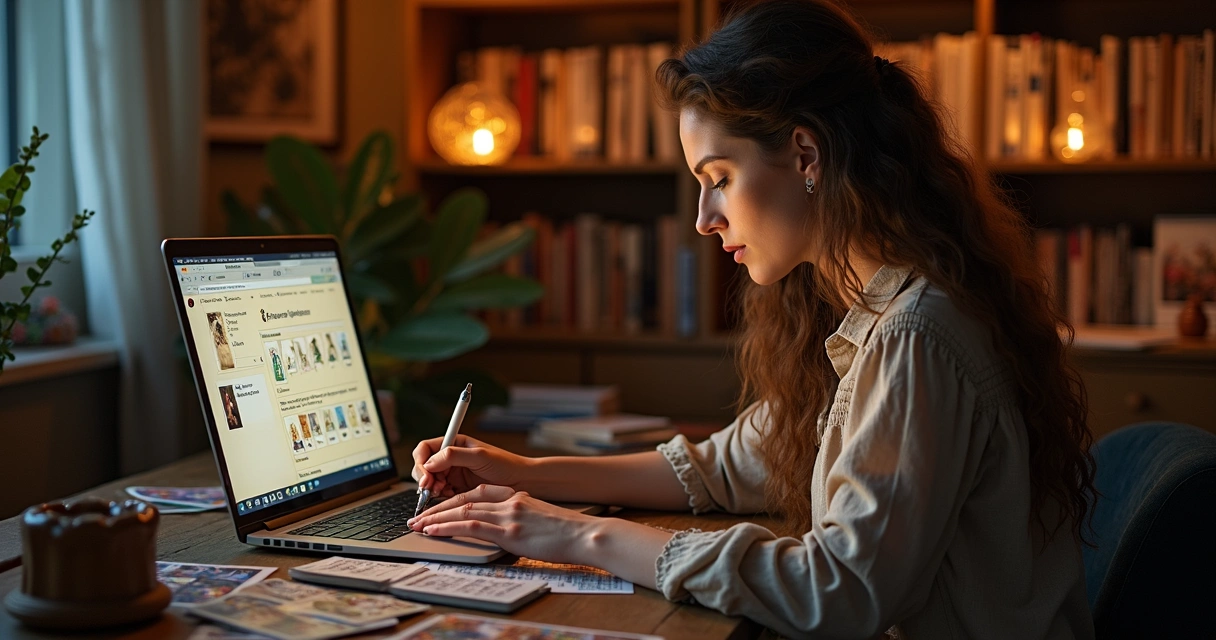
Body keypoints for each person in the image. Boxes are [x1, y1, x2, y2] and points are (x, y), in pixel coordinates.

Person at [407, 1, 1096, 637]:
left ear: (805, 155)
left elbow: (842, 590)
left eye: (719, 179)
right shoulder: (865, 310)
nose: (706, 220)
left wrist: (571, 536)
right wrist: (517, 472)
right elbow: (723, 468)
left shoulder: (917, 333)